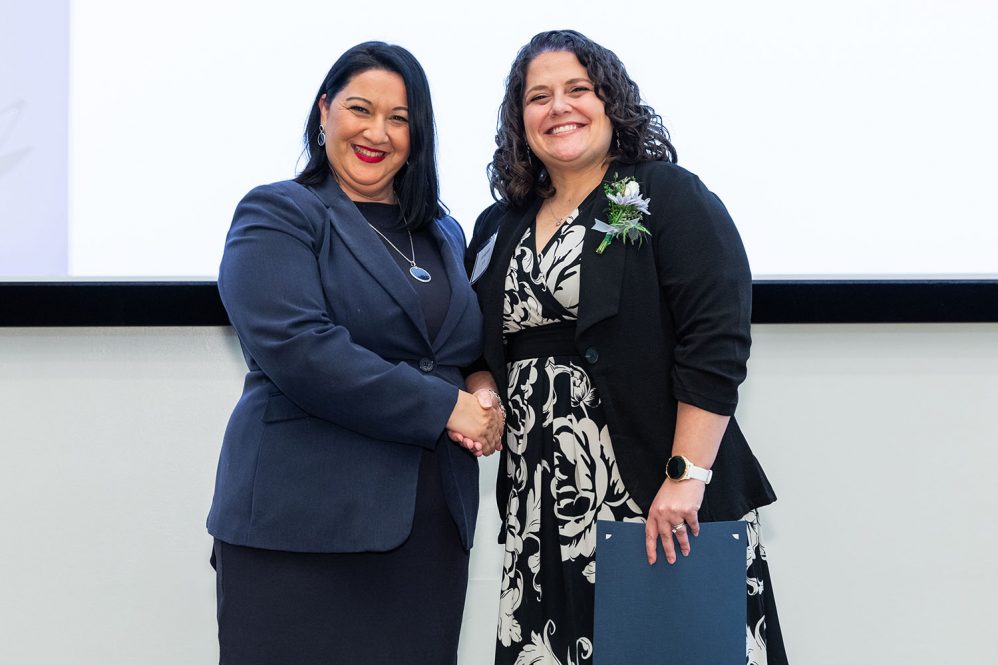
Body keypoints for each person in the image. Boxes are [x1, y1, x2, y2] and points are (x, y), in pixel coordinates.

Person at [462, 30, 788, 664]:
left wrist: (685, 479)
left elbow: (715, 341)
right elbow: (474, 342)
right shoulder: (498, 224)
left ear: (611, 101)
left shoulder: (666, 195)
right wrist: (481, 391)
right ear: (518, 119)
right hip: (544, 507)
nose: (559, 107)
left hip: (651, 492)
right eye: (539, 96)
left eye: (578, 90)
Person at [205, 41, 502, 664]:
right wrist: (446, 407)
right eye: (361, 109)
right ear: (324, 112)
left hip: (425, 532)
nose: (378, 132)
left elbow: (460, 347)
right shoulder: (280, 212)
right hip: (299, 531)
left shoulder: (442, 232)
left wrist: (480, 390)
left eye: (399, 118)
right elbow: (300, 348)